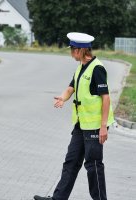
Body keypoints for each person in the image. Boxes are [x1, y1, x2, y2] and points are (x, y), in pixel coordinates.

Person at [34, 32, 115, 200]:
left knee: (93, 165)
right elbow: (71, 87)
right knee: (71, 162)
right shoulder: (80, 67)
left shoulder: (97, 69)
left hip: (94, 125)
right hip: (81, 124)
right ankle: (58, 198)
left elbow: (105, 98)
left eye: (72, 50)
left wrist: (103, 126)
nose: (71, 53)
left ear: (81, 50)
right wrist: (63, 97)